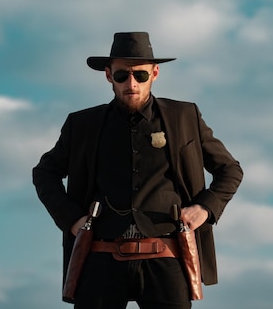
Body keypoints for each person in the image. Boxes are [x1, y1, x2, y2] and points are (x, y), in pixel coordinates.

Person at [33, 32, 243, 309]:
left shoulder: (185, 117)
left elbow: (230, 169)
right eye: (122, 76)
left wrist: (204, 209)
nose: (131, 83)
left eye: (140, 76)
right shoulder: (82, 124)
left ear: (154, 73)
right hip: (99, 256)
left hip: (167, 256)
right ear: (108, 76)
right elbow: (44, 173)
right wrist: (72, 219)